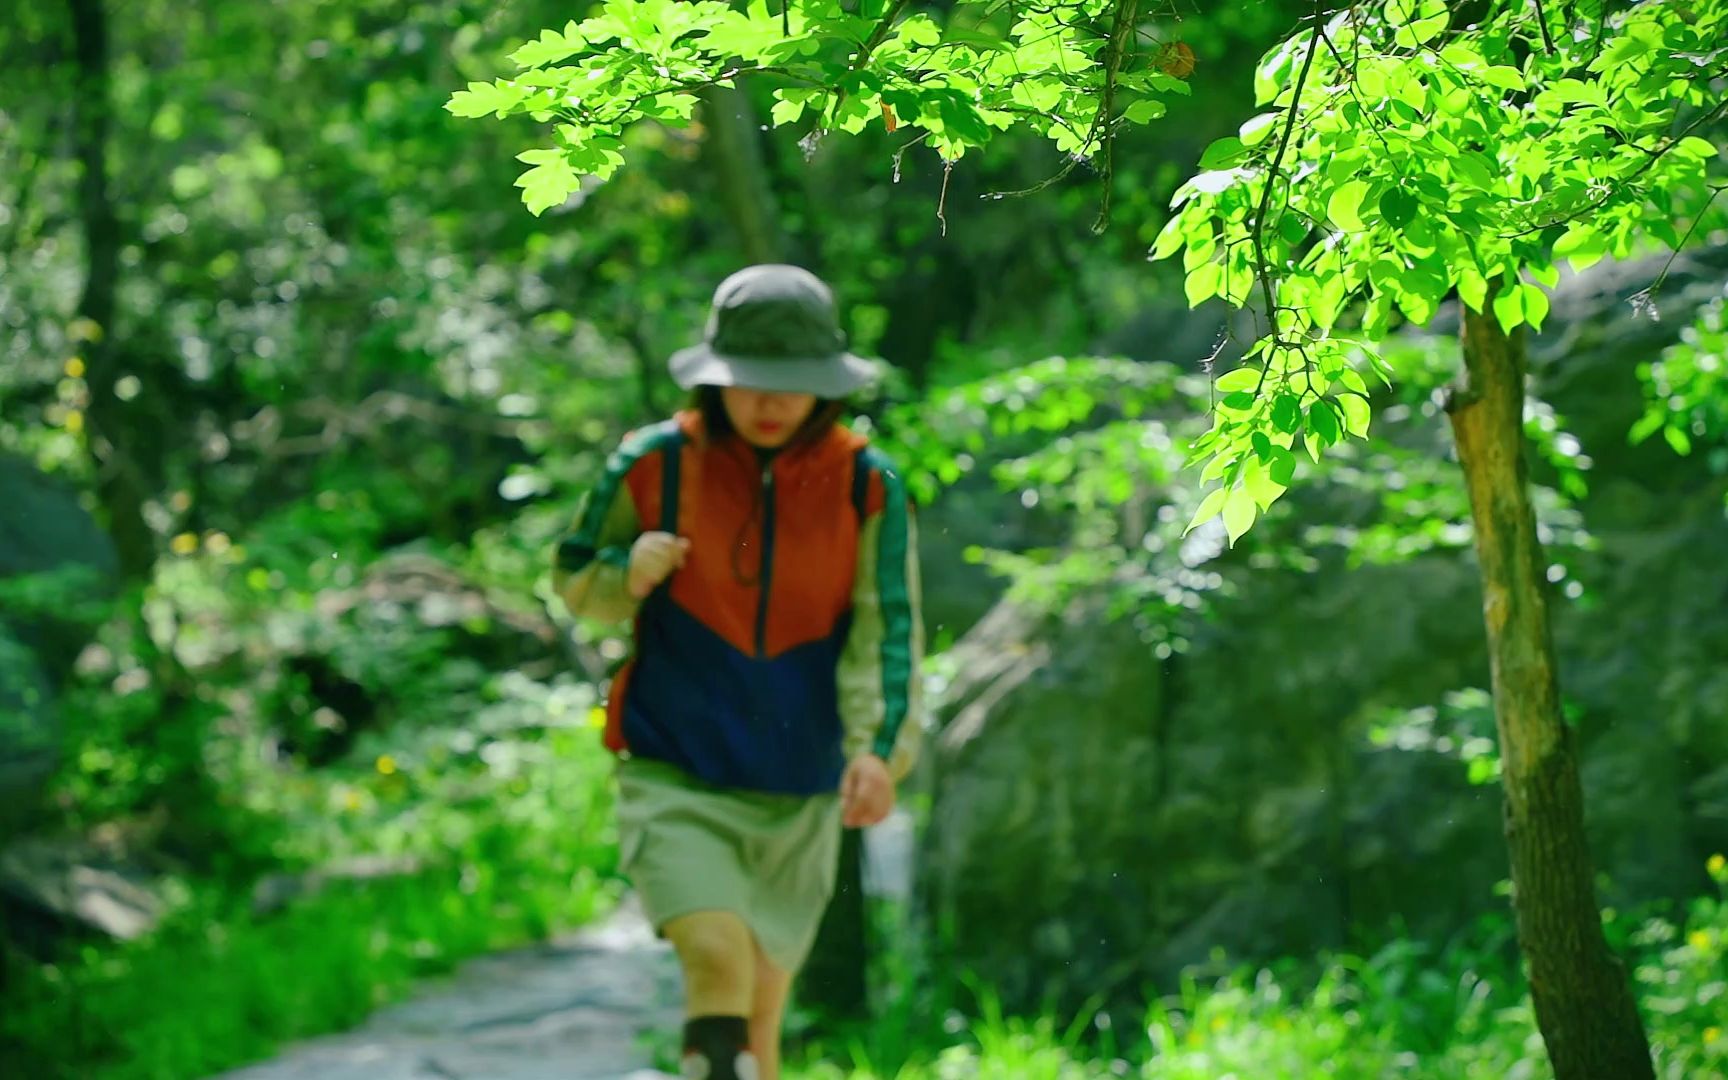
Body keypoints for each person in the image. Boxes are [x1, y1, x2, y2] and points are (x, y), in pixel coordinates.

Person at [552, 264, 924, 1080]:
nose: (768, 402)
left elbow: (887, 633)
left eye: (790, 384)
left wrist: (878, 749)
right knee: (716, 959)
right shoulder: (655, 463)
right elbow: (578, 578)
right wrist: (628, 572)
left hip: (800, 787)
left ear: (826, 385)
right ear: (716, 378)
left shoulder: (868, 485)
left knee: (760, 1017)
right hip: (674, 768)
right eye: (750, 382)